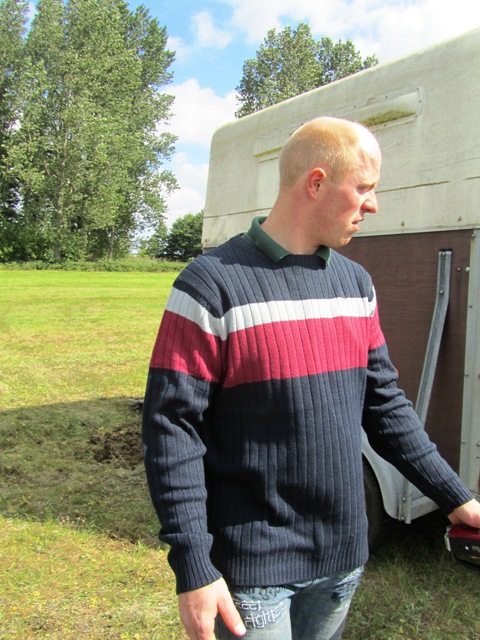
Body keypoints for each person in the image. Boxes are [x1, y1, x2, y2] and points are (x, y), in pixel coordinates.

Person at [142, 116, 480, 640]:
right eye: (364, 187)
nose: (373, 204)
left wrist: (457, 497)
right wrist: (193, 565)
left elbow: (385, 405)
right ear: (317, 183)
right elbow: (171, 430)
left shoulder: (355, 284)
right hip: (252, 572)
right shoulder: (210, 286)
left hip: (342, 561)